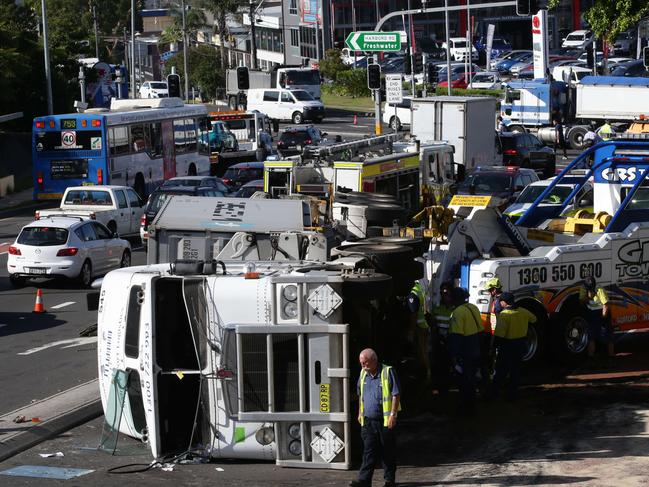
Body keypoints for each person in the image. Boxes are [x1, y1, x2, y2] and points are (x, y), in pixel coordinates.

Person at [351, 348, 401, 487]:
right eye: (361, 363)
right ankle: (364, 480)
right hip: (368, 421)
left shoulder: (387, 372)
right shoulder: (363, 374)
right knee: (368, 451)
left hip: (384, 421)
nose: (363, 366)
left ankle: (389, 481)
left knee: (387, 452)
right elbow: (360, 394)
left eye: (365, 363)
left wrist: (393, 414)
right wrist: (360, 412)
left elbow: (395, 394)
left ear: (374, 360)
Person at [490, 292, 537, 401]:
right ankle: (512, 395)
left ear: (503, 302)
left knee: (501, 371)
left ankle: (494, 394)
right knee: (515, 371)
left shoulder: (504, 315)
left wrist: (493, 347)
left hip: (507, 347)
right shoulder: (523, 312)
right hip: (521, 345)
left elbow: (499, 335)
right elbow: (534, 319)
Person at [448, 287, 482, 412]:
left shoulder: (457, 312)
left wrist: (454, 357)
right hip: (475, 346)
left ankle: (466, 407)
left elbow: (456, 336)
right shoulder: (473, 307)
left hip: (465, 349)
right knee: (471, 378)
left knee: (464, 381)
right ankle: (471, 404)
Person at [429, 281, 455, 396]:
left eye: (446, 292)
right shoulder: (437, 307)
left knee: (447, 366)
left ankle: (446, 389)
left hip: (450, 342)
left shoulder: (455, 309)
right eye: (442, 292)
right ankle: (436, 388)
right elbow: (434, 323)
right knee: (436, 365)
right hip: (438, 342)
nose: (444, 295)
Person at [580, 277, 614, 358]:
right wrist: (586, 298)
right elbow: (581, 301)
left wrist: (603, 318)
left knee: (608, 335)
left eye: (592, 288)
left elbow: (606, 305)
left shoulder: (599, 290)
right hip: (592, 312)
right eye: (589, 288)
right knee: (591, 336)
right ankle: (591, 357)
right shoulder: (583, 288)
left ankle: (611, 356)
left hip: (602, 312)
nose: (591, 290)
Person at [406, 280, 430, 381]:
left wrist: (411, 332)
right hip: (422, 325)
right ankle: (427, 375)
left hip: (418, 327)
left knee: (421, 353)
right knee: (423, 352)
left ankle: (425, 376)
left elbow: (413, 314)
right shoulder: (419, 287)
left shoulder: (412, 293)